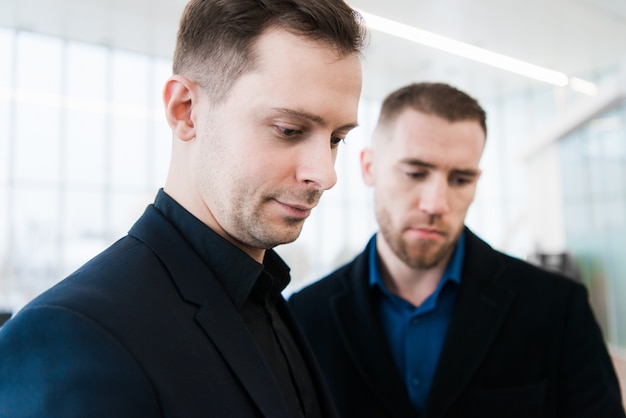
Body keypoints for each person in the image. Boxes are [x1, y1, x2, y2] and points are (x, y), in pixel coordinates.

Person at [0, 0, 365, 416]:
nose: (325, 173)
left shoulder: (268, 302)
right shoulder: (71, 336)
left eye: (336, 138)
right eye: (289, 130)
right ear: (185, 111)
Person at [288, 82, 626, 418]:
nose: (436, 204)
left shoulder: (557, 308)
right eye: (415, 173)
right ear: (369, 167)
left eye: (460, 180)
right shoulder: (305, 317)